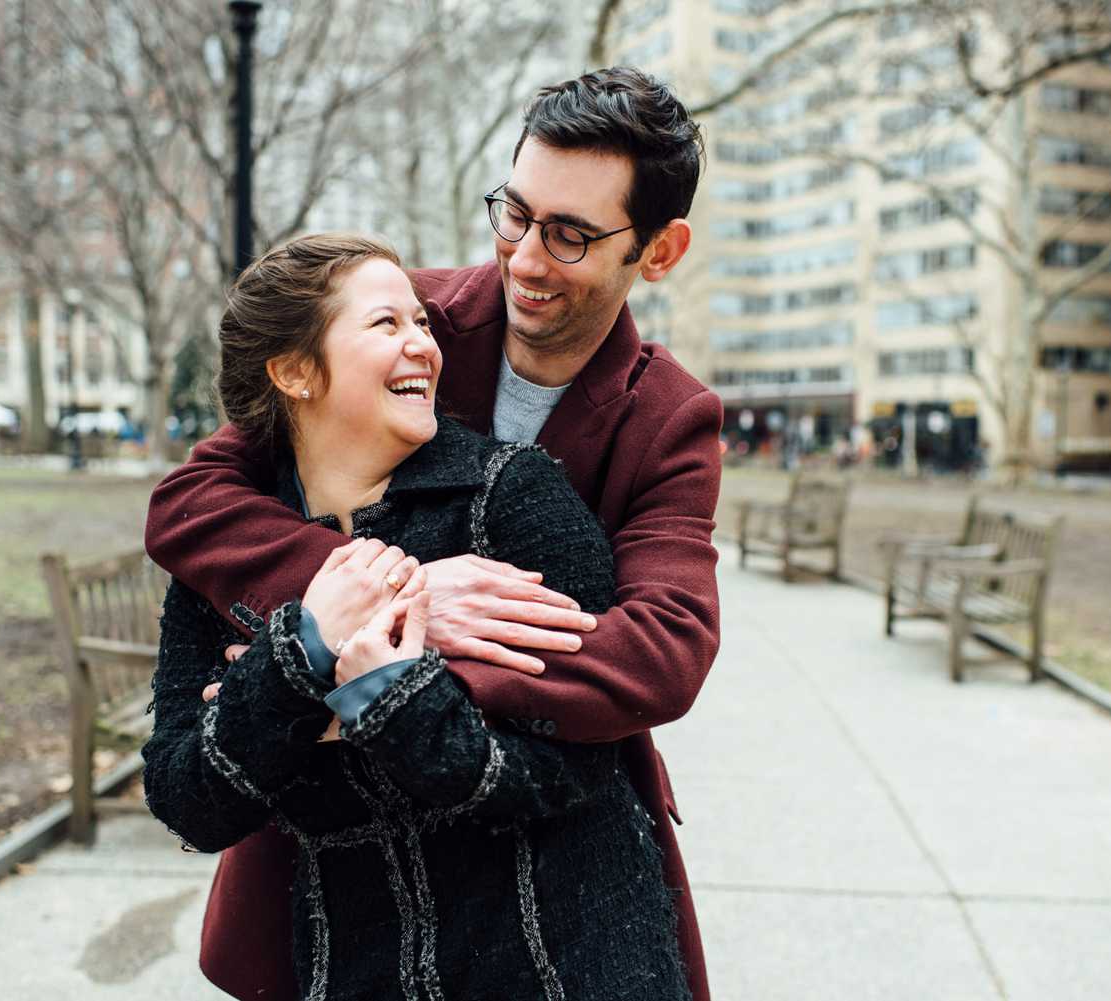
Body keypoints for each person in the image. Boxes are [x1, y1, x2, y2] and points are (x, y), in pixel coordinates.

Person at [146, 67, 721, 1001]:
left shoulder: (668, 417)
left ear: (657, 251)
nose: (526, 258)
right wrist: (375, 597)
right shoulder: (402, 323)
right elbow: (192, 500)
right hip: (347, 881)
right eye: (515, 214)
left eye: (571, 235)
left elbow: (663, 653)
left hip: (550, 869)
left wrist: (380, 677)